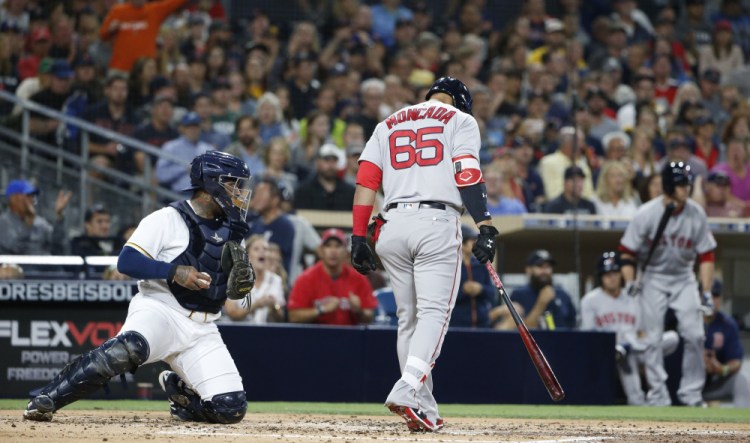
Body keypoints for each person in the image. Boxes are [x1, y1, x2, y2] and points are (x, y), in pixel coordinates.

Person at [23, 151, 255, 423]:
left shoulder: (234, 231)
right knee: (127, 349)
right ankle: (46, 398)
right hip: (162, 310)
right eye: (232, 183)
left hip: (203, 328)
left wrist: (239, 288)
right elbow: (127, 261)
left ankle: (180, 395)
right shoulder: (168, 218)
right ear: (211, 183)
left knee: (230, 408)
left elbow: (227, 291)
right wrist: (172, 271)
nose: (238, 191)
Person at [349, 77, 499, 431]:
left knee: (409, 319)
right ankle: (406, 387)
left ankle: (423, 407)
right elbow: (467, 173)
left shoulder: (388, 123)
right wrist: (485, 224)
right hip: (435, 221)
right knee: (434, 314)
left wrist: (357, 237)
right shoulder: (460, 120)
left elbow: (366, 180)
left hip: (392, 225)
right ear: (461, 102)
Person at [619, 161, 717, 406]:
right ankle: (658, 396)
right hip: (653, 277)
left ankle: (692, 394)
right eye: (682, 184)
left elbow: (706, 255)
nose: (686, 188)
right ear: (669, 185)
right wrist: (630, 280)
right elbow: (627, 251)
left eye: (687, 183)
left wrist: (705, 291)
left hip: (684, 277)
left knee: (695, 335)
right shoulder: (646, 213)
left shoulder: (696, 213)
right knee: (652, 339)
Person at [580, 251, 679, 405]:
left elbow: (644, 330)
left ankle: (659, 397)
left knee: (672, 338)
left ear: (621, 274)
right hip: (611, 352)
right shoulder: (590, 300)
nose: (612, 277)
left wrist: (638, 340)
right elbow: (589, 336)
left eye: (615, 272)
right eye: (607, 274)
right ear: (601, 277)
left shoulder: (634, 297)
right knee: (626, 354)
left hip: (638, 347)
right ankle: (637, 402)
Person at [287, 228, 376, 326]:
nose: (333, 251)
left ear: (345, 252)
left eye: (338, 246)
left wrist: (359, 311)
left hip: (349, 337)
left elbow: (370, 316)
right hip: (315, 337)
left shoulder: (358, 279)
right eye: (328, 246)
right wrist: (321, 309)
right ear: (321, 251)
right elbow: (293, 316)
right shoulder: (306, 278)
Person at [100, 0, 188, 73]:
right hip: (120, 68)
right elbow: (102, 35)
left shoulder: (155, 11)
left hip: (145, 71)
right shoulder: (118, 11)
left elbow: (174, 2)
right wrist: (110, 30)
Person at [703, 279, 750, 408]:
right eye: (709, 295)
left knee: (742, 379)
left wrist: (722, 369)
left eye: (716, 295)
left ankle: (744, 424)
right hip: (685, 384)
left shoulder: (727, 324)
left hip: (713, 383)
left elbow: (736, 361)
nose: (712, 300)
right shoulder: (686, 320)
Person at [223, 235, 285, 324]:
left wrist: (274, 306)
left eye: (265, 249)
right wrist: (256, 305)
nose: (262, 252)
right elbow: (232, 313)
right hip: (237, 333)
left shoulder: (276, 280)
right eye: (256, 249)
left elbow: (280, 318)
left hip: (265, 333)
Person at [510, 249, 577, 330]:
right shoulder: (519, 295)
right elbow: (519, 331)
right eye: (540, 266)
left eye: (548, 266)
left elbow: (573, 327)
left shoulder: (562, 294)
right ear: (528, 270)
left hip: (561, 341)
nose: (545, 271)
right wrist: (541, 303)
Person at [0, 180, 71, 255]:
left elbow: (58, 247)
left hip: (45, 265)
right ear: (13, 198)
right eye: (28, 196)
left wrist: (59, 216)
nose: (32, 200)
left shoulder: (39, 222)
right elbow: (17, 250)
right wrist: (28, 226)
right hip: (19, 265)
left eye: (33, 196)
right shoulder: (3, 222)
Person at [449, 225, 497, 328]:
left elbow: (492, 292)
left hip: (482, 324)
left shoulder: (482, 265)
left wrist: (481, 289)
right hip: (456, 326)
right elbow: (443, 297)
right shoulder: (450, 267)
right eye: (472, 240)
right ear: (461, 243)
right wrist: (463, 291)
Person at [247, 177, 295, 278]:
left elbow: (275, 260)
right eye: (256, 194)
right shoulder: (254, 223)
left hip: (275, 283)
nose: (255, 198)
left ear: (275, 200)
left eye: (261, 194)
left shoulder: (285, 226)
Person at [156, 112, 214, 192]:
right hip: (179, 194)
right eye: (189, 127)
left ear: (200, 128)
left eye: (195, 127)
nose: (193, 130)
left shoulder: (208, 149)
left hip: (204, 195)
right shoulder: (171, 147)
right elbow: (161, 175)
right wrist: (185, 168)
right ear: (182, 128)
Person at [294, 144, 355, 211]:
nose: (331, 165)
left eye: (334, 160)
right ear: (317, 162)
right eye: (327, 160)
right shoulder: (304, 191)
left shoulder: (349, 192)